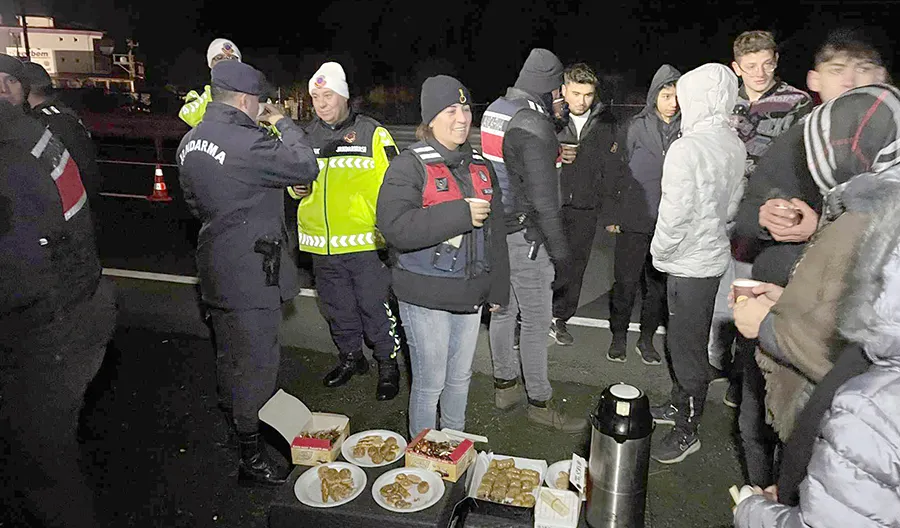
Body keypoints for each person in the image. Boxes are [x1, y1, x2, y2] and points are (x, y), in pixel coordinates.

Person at [731, 29, 889, 488]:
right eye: (840, 71)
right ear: (816, 79)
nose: (853, 82)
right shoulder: (799, 141)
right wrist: (767, 218)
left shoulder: (890, 160)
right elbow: (745, 214)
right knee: (757, 425)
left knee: (835, 447)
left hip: (853, 343)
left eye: (866, 71)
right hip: (782, 311)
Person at [176, 60, 319, 486]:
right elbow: (305, 166)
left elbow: (197, 203)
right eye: (260, 102)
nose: (262, 108)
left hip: (215, 261)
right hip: (251, 270)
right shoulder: (248, 141)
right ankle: (251, 454)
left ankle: (235, 421)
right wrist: (284, 123)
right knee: (256, 364)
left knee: (229, 355)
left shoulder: (190, 140)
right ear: (244, 100)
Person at [733, 169, 900, 528]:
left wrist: (767, 327)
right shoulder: (868, 196)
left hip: (812, 410)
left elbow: (845, 355)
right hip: (807, 423)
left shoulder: (870, 409)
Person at [0, 83, 116, 527]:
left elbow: (19, 264)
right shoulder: (30, 130)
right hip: (76, 303)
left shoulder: (12, 145)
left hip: (46, 328)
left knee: (41, 468)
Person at [376, 75, 509, 438]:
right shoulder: (409, 165)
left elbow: (496, 231)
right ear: (430, 119)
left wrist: (498, 288)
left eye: (465, 108)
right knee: (430, 382)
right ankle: (422, 458)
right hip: (425, 295)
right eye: (450, 110)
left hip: (469, 293)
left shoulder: (481, 164)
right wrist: (459, 213)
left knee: (460, 378)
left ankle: (453, 448)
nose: (461, 117)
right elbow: (394, 226)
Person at [482, 48, 585, 432]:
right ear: (547, 87)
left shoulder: (497, 108)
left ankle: (505, 386)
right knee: (537, 320)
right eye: (558, 91)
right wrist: (561, 255)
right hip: (525, 235)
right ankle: (539, 401)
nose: (561, 98)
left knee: (504, 312)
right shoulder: (533, 123)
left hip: (496, 229)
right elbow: (544, 201)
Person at [648, 63, 746, 464]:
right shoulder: (733, 143)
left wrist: (661, 253)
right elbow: (733, 207)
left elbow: (673, 214)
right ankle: (678, 405)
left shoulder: (687, 148)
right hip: (712, 257)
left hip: (687, 263)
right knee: (688, 339)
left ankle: (688, 428)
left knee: (684, 347)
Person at [710, 31, 813, 407]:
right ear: (736, 67)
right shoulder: (723, 100)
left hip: (763, 217)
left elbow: (804, 163)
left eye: (767, 64)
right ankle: (716, 363)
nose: (759, 72)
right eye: (750, 66)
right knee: (717, 295)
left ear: (776, 61)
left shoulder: (796, 101)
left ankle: (745, 377)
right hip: (719, 209)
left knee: (750, 295)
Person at [291, 61, 402, 400]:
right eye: (315, 97)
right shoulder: (304, 137)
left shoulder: (373, 133)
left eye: (328, 95)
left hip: (364, 244)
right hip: (320, 246)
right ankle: (351, 358)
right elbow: (291, 182)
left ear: (344, 96)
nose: (321, 104)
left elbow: (397, 185)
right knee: (336, 308)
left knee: (374, 308)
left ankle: (387, 364)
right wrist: (294, 189)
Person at [603, 64, 681, 364]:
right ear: (654, 96)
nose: (671, 102)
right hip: (634, 217)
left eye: (676, 95)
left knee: (658, 288)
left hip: (668, 222)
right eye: (665, 95)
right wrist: (612, 213)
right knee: (625, 282)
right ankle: (618, 336)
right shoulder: (635, 125)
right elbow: (615, 170)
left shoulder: (688, 128)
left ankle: (646, 339)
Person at [548, 63, 624, 347]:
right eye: (576, 93)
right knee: (544, 263)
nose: (581, 101)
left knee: (574, 266)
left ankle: (559, 318)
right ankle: (531, 317)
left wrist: (612, 209)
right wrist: (556, 152)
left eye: (588, 94)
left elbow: (614, 168)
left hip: (586, 206)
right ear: (564, 90)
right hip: (551, 205)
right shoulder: (548, 119)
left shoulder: (607, 122)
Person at [20, 60, 102, 205]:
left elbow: (80, 168)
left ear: (26, 88)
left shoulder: (54, 121)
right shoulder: (56, 114)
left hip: (64, 205)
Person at [179, 38, 242, 127]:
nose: (226, 62)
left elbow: (266, 125)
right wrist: (216, 89)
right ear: (211, 65)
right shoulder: (198, 92)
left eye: (232, 58)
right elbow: (189, 117)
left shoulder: (253, 91)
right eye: (219, 58)